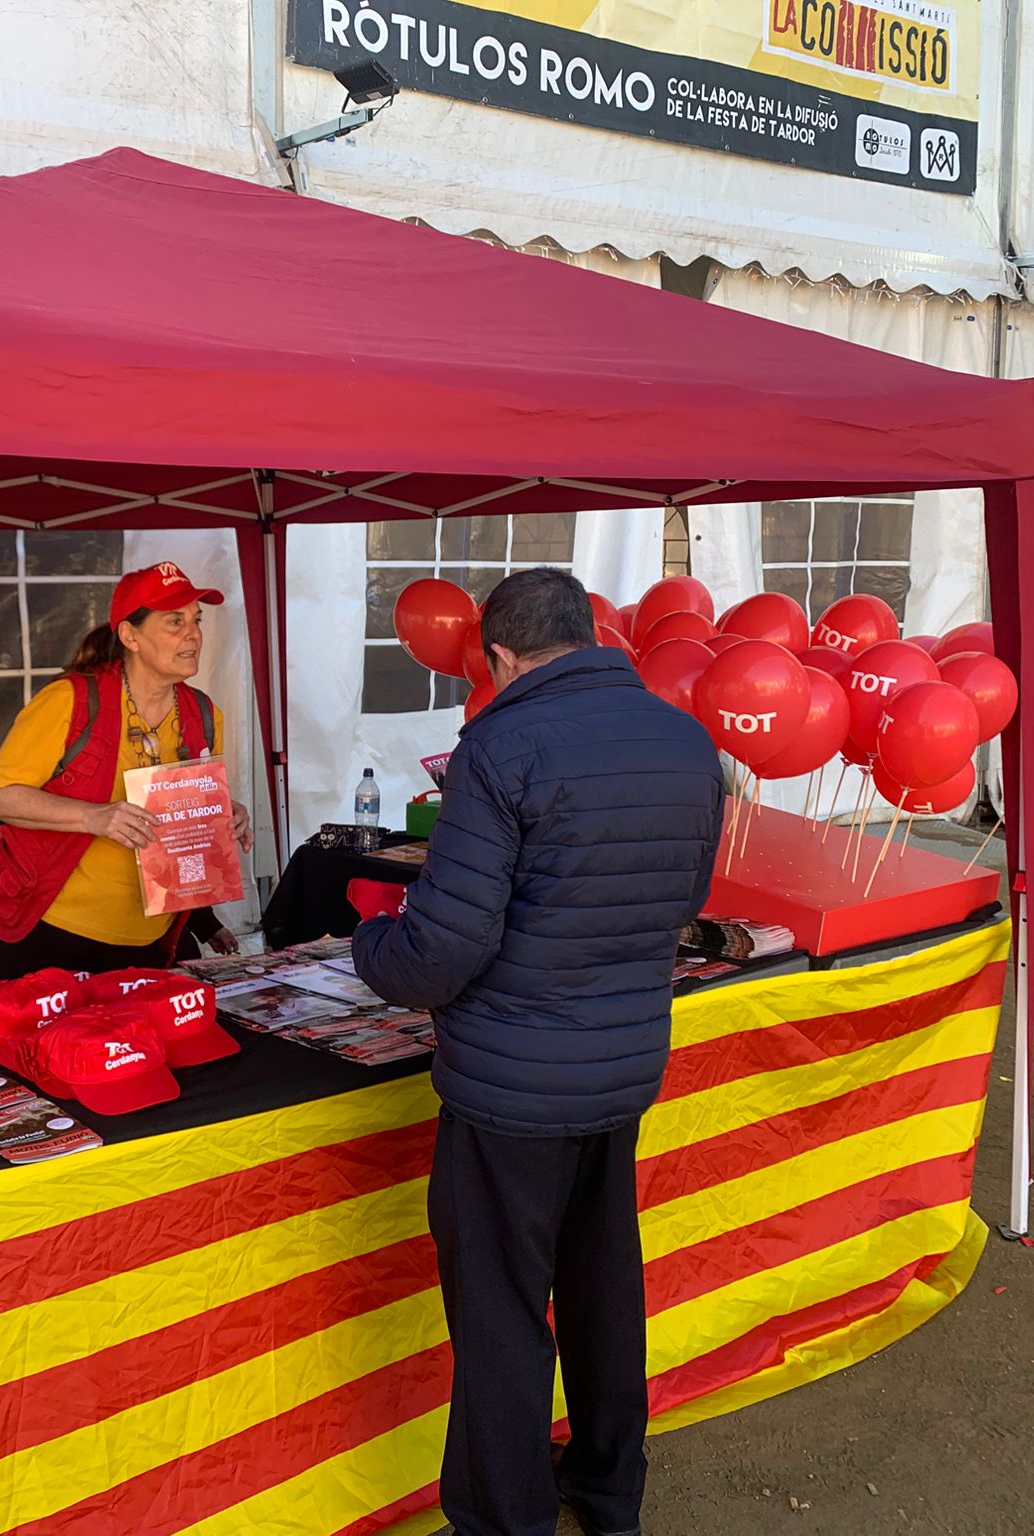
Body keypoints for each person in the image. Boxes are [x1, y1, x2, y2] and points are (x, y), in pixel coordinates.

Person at [353, 567, 722, 1536]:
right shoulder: (683, 741)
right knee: (603, 1287)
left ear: (502, 657)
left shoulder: (499, 745)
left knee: (501, 1310)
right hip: (617, 1070)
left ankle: (503, 1518)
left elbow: (441, 949)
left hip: (507, 1091)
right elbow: (682, 907)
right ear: (590, 638)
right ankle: (606, 1493)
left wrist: (365, 946)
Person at [0, 561, 253, 981]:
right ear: (130, 635)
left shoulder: (204, 714)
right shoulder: (68, 701)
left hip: (151, 938)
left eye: (196, 620)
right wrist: (94, 817)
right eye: (174, 622)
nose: (193, 634)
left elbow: (184, 818)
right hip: (53, 931)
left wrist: (223, 813)